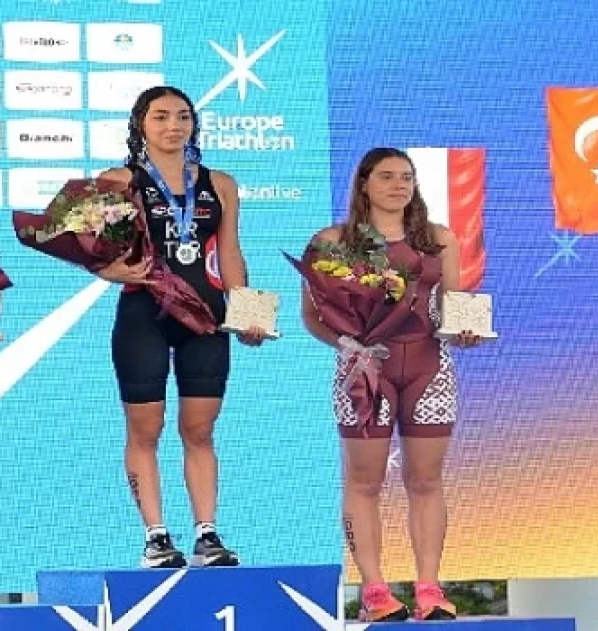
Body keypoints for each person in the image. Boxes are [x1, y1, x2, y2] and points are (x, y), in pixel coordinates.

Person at [300, 147, 480, 621]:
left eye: (406, 177)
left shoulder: (438, 239)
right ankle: (375, 592)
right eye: (386, 177)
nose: (398, 185)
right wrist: (349, 345)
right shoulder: (332, 241)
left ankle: (429, 589)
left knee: (426, 480)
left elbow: (454, 306)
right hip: (364, 374)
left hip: (429, 369)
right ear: (364, 183)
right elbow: (312, 316)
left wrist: (465, 332)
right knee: (364, 481)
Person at [96, 85, 269, 569]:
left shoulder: (221, 184)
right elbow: (98, 252)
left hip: (205, 317)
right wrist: (111, 271)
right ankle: (156, 536)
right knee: (145, 429)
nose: (173, 125)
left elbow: (229, 252)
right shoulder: (117, 181)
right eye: (161, 117)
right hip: (143, 316)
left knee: (200, 429)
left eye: (182, 116)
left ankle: (207, 533)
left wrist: (247, 312)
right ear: (141, 124)